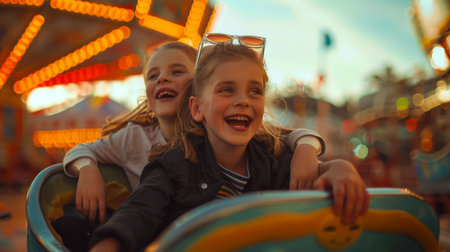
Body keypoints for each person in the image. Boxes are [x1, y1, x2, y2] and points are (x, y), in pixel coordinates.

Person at [89, 36, 369, 252]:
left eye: (254, 91)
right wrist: (109, 244)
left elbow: (316, 170)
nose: (243, 100)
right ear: (197, 109)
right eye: (226, 89)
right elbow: (138, 212)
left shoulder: (269, 159)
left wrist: (340, 168)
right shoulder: (172, 166)